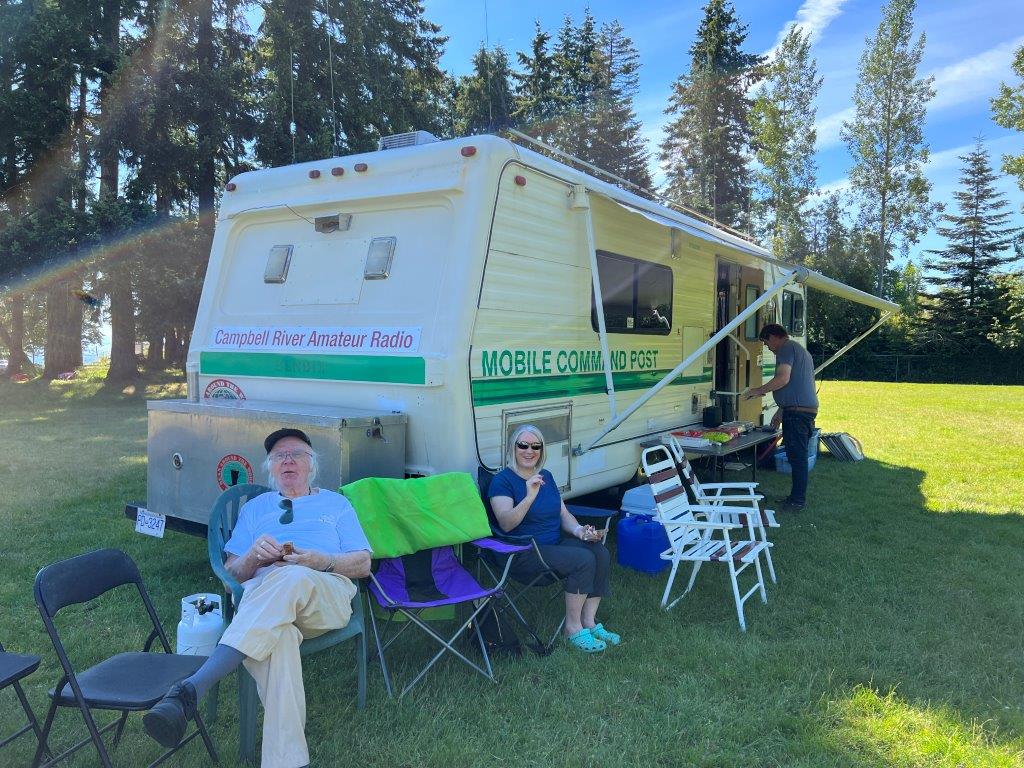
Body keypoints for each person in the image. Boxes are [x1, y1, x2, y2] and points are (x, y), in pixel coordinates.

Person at [143, 428, 371, 768]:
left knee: (292, 575)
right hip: (265, 601)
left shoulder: (336, 504)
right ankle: (289, 762)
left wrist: (321, 560)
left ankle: (194, 687)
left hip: (325, 592)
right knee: (279, 638)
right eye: (279, 456)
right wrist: (252, 557)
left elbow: (364, 564)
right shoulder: (254, 509)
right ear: (270, 468)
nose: (288, 460)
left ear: (312, 465)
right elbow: (231, 578)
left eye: (296, 454)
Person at [487, 425, 619, 653]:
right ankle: (572, 628)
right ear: (512, 448)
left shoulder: (545, 476)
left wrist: (580, 531)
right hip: (522, 552)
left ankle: (589, 621)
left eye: (535, 446)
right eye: (523, 445)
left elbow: (563, 514)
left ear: (542, 450)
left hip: (552, 546)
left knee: (599, 552)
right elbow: (506, 523)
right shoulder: (502, 481)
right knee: (582, 559)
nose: (529, 451)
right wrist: (529, 496)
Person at [745, 323, 818, 511]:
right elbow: (796, 385)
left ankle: (797, 501)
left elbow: (783, 378)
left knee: (797, 458)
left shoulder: (786, 348)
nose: (768, 347)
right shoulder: (800, 350)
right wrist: (780, 411)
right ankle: (795, 497)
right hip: (799, 410)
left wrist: (758, 390)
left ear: (773, 337)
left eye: (766, 342)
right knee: (797, 456)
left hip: (798, 413)